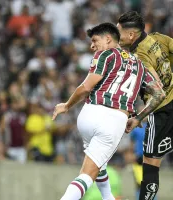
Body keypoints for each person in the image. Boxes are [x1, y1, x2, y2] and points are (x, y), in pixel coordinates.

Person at [52, 22, 165, 200]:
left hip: (88, 114)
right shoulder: (140, 66)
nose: (92, 45)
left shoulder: (105, 55)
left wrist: (67, 105)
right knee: (87, 174)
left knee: (99, 164)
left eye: (95, 40)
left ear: (108, 39)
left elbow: (86, 87)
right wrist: (138, 118)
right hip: (112, 120)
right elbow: (159, 94)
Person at [117, 11, 173, 199]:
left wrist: (138, 118)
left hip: (163, 112)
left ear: (131, 35)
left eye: (119, 32)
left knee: (150, 162)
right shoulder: (159, 39)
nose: (117, 37)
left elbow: (158, 93)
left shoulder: (138, 57)